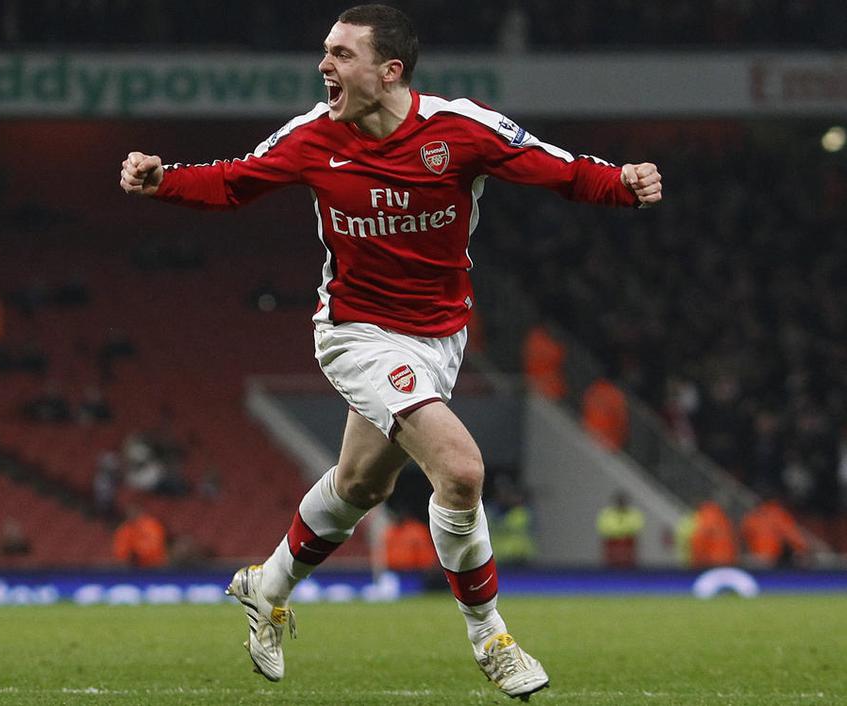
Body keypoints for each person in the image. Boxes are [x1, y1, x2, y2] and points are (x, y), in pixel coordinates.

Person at [120, 4, 661, 699]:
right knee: (460, 471)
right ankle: (490, 637)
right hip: (356, 333)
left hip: (439, 339)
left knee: (360, 487)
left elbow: (553, 168)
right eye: (326, 52)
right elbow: (232, 181)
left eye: (342, 54)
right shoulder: (313, 137)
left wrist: (622, 185)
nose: (324, 65)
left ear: (389, 71)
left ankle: (267, 586)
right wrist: (162, 179)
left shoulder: (459, 129)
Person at [595, 491, 645, 568]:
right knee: (611, 563)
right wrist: (619, 533)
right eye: (619, 501)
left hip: (628, 542)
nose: (621, 503)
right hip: (612, 541)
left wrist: (622, 533)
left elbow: (636, 527)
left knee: (628, 563)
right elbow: (603, 527)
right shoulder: (606, 514)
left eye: (623, 501)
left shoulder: (634, 513)